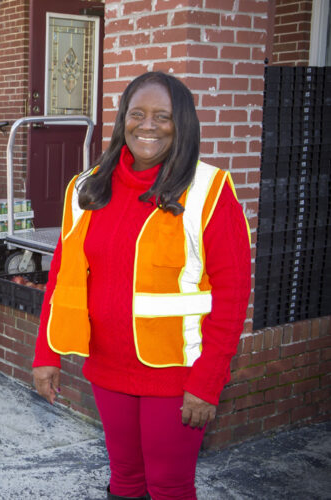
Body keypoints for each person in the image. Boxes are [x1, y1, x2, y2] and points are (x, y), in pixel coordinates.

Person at [32, 72, 251, 499]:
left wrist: (206, 382)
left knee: (168, 485)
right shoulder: (87, 186)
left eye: (162, 117)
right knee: (125, 479)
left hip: (177, 375)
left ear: (182, 123)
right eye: (137, 114)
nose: (147, 126)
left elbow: (232, 295)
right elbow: (63, 276)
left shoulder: (209, 190)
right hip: (108, 368)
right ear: (122, 120)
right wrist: (47, 353)